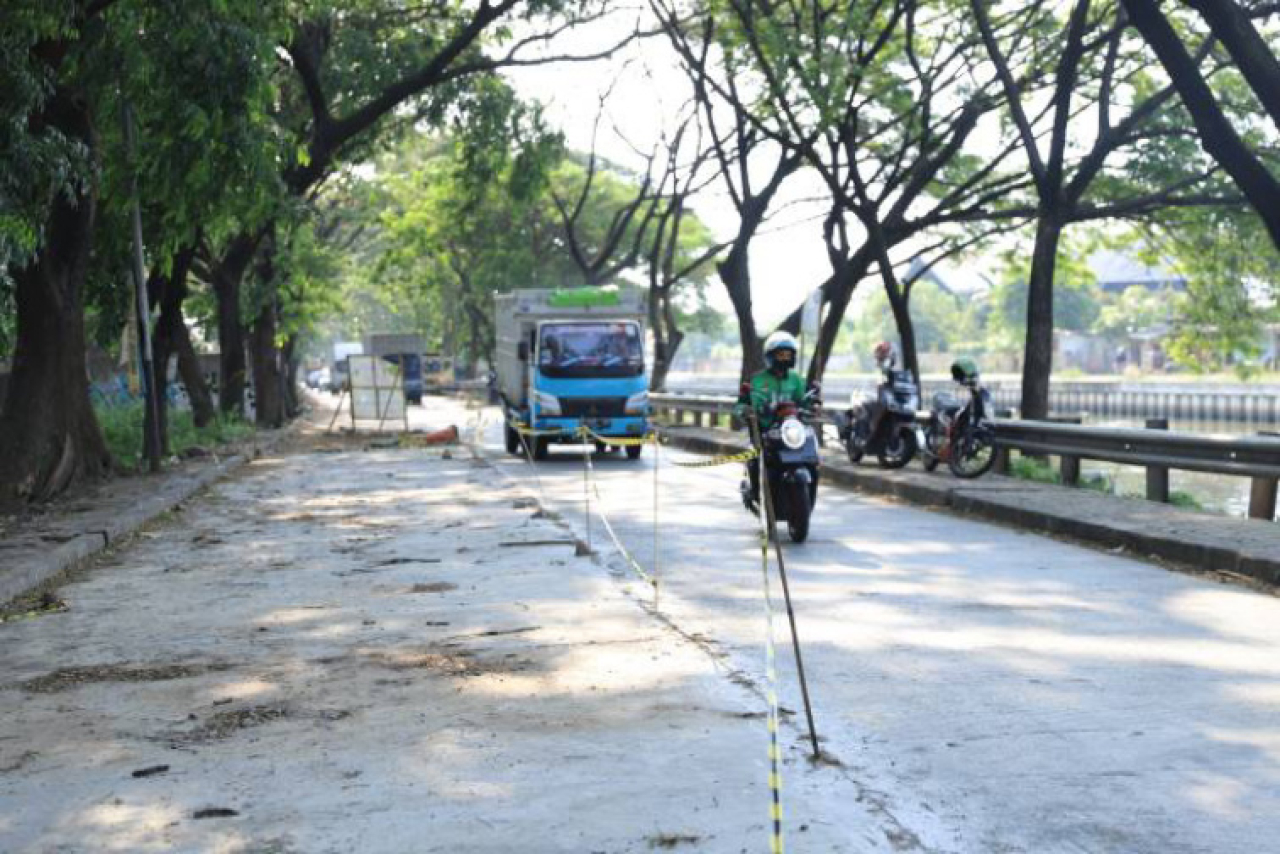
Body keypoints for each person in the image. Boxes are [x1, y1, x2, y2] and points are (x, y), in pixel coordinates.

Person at [737, 331, 810, 512]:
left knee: (811, 455)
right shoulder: (757, 380)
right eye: (781, 354)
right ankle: (755, 493)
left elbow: (804, 400)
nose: (785, 358)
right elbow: (742, 404)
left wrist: (812, 404)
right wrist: (746, 410)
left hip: (791, 431)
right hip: (765, 430)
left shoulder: (796, 380)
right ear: (770, 356)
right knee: (754, 460)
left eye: (789, 354)